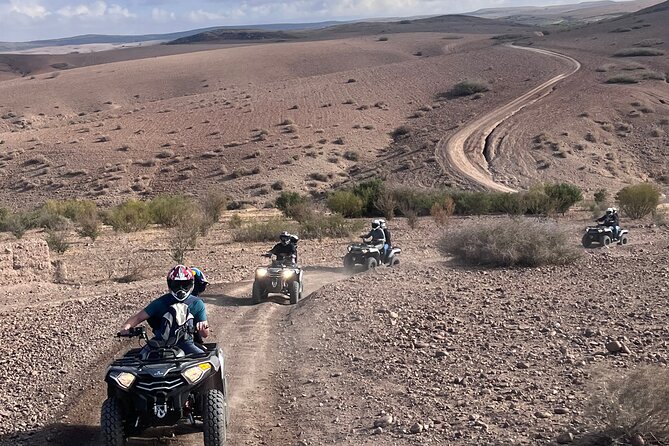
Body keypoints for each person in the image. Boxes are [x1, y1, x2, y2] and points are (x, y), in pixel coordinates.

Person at [119, 265, 210, 356]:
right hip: (159, 344)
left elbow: (205, 334)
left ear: (191, 284)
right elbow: (138, 318)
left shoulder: (197, 304)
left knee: (206, 361)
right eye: (176, 285)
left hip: (186, 344)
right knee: (138, 359)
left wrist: (202, 328)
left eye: (185, 285)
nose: (180, 289)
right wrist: (126, 327)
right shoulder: (160, 303)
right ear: (170, 285)